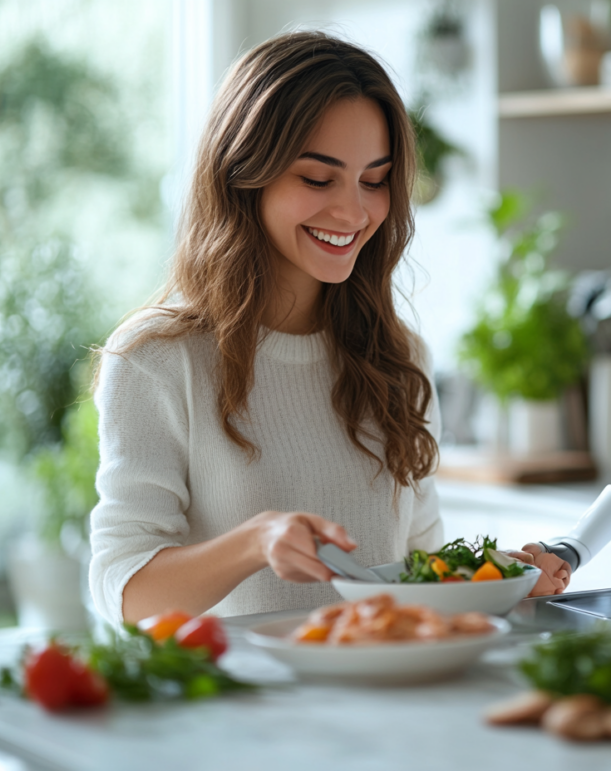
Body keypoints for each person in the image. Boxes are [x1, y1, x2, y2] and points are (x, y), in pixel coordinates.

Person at [89, 32, 569, 626]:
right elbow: (126, 595)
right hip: (230, 708)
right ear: (243, 174)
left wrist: (498, 576)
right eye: (318, 179)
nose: (352, 212)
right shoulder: (156, 360)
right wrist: (256, 541)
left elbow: (411, 566)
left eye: (375, 180)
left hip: (380, 701)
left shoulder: (400, 358)